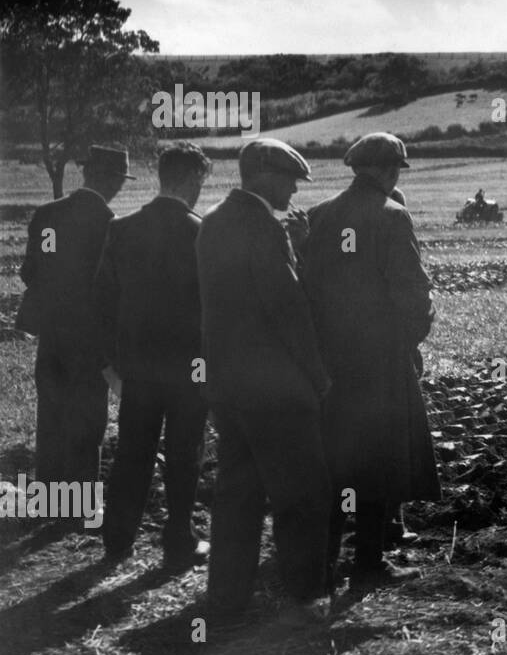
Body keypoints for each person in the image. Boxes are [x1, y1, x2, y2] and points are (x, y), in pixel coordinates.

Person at [197, 138, 333, 625]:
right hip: (276, 389)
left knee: (238, 494)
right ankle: (305, 597)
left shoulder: (213, 222)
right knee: (301, 493)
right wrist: (317, 376)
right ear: (261, 175)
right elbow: (286, 307)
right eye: (289, 179)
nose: (295, 189)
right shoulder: (261, 226)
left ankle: (227, 599)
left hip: (229, 386)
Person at [303, 133, 440, 588]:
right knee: (380, 461)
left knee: (336, 461)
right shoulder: (392, 216)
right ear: (388, 171)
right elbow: (414, 297)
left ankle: (319, 569)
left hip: (329, 364)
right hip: (379, 363)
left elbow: (305, 291)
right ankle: (368, 564)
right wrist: (402, 343)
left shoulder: (318, 216)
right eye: (397, 168)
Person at [95, 142, 212, 570]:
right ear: (192, 180)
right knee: (185, 454)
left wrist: (110, 364)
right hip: (189, 370)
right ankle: (179, 540)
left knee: (132, 453)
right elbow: (212, 310)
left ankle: (117, 539)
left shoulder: (122, 229)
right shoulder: (202, 232)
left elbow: (102, 302)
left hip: (138, 369)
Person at [20, 145, 132, 491]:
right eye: (119, 180)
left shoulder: (48, 217)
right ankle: (77, 507)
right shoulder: (111, 227)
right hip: (89, 342)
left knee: (51, 420)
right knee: (86, 424)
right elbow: (113, 291)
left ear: (85, 173)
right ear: (113, 180)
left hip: (52, 336)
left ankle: (49, 499)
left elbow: (32, 270)